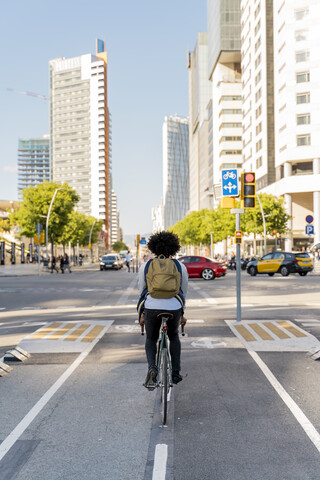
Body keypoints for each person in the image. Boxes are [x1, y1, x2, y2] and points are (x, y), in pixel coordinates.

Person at [137, 231, 188, 389]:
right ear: (174, 248)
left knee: (151, 338)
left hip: (152, 306)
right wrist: (181, 313)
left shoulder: (146, 266)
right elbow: (183, 291)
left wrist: (142, 313)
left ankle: (152, 369)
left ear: (153, 248)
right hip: (174, 306)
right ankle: (175, 372)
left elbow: (142, 291)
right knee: (173, 336)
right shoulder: (180, 266)